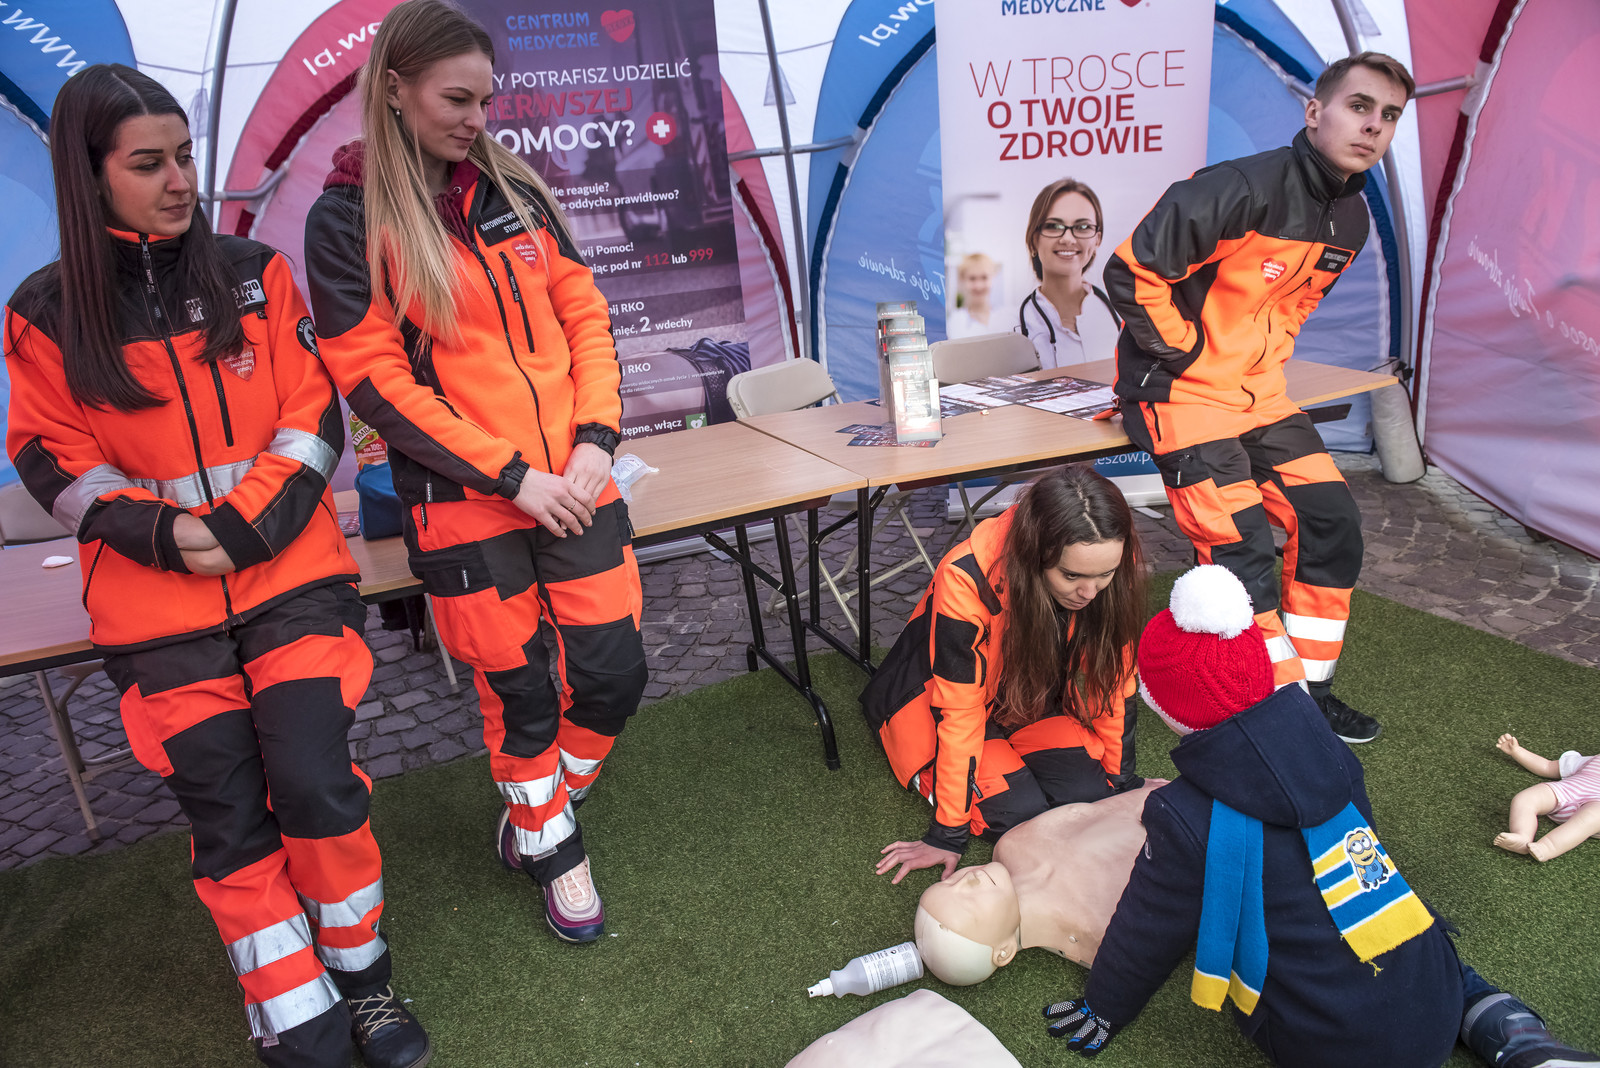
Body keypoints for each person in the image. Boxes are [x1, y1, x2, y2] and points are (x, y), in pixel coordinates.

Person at [3, 66, 428, 1068]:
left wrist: (233, 532)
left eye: (185, 156)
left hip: (292, 582)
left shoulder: (253, 273)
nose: (179, 181)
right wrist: (163, 537)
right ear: (90, 175)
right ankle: (292, 1010)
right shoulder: (44, 312)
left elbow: (312, 415)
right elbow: (52, 458)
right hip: (157, 613)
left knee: (316, 785)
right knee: (228, 815)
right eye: (148, 164)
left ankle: (363, 979)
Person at [303, 0, 646, 944]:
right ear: (395, 89)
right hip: (466, 504)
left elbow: (586, 318)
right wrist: (511, 475)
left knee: (614, 674)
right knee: (520, 692)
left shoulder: (513, 186)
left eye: (486, 100)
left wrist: (596, 439)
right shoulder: (345, 221)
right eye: (458, 99)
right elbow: (375, 381)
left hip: (576, 482)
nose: (477, 119)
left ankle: (542, 810)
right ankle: (556, 852)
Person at [1041, 566, 1598, 1068]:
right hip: (1434, 990)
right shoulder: (1328, 749)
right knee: (1404, 932)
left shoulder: (1182, 812)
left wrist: (1102, 1006)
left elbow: (1150, 927)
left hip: (1335, 1046)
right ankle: (1514, 1033)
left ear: (1165, 706)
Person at [1104, 53, 1415, 745]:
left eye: (1389, 115)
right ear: (1315, 111)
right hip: (1182, 397)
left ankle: (1312, 690)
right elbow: (1131, 270)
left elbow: (1295, 304)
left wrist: (1262, 363)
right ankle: (1271, 711)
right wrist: (1188, 353)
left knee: (1331, 523)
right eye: (1359, 106)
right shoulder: (1239, 187)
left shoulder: (1352, 217)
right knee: (1241, 554)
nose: (1373, 125)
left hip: (1261, 398)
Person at [865, 465, 1146, 884]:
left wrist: (1122, 785)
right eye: (1071, 576)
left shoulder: (1109, 556)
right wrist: (947, 834)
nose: (1090, 592)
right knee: (1020, 815)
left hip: (1025, 697)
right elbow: (959, 712)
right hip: (937, 707)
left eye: (1104, 575)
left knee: (1089, 797)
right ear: (1035, 553)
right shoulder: (965, 578)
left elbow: (1116, 682)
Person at [915, 781, 1162, 984]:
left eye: (949, 883)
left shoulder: (1011, 844)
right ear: (1004, 951)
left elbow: (1103, 812)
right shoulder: (1101, 933)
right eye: (969, 904)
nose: (968, 880)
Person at [1016, 178, 1122, 369]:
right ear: (1033, 240)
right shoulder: (1015, 326)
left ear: (1097, 240)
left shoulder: (1121, 315)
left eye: (1083, 227)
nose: (1068, 239)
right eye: (1054, 226)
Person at [1492, 734, 1600, 862]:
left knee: (1590, 818)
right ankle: (1522, 836)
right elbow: (1547, 766)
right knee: (1526, 798)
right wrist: (1516, 751)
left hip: (1596, 807)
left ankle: (1547, 847)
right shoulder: (1592, 760)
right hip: (1566, 791)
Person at [947, 252, 998, 338]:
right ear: (962, 280)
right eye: (972, 278)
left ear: (993, 277)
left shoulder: (1008, 317)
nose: (978, 286)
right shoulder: (955, 321)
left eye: (984, 277)